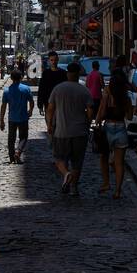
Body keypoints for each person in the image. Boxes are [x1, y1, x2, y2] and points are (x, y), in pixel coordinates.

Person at [45, 61, 92, 196]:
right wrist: (87, 124)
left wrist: (49, 125)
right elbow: (90, 111)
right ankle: (74, 188)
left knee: (59, 159)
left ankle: (66, 174)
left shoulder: (58, 89)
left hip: (61, 131)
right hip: (80, 132)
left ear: (67, 74)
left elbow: (50, 109)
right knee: (77, 162)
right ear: (78, 74)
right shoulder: (84, 90)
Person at [95, 68, 134, 199]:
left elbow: (101, 110)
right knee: (119, 162)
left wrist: (97, 121)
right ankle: (118, 190)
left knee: (103, 157)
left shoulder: (107, 94)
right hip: (121, 128)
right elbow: (129, 117)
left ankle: (106, 183)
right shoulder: (126, 98)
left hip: (108, 127)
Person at [0, 67, 34, 163]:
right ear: (21, 78)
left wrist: (1, 120)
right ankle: (18, 152)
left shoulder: (7, 91)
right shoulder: (26, 89)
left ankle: (11, 158)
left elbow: (3, 106)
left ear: (11, 78)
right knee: (23, 137)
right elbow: (31, 101)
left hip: (12, 118)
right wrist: (30, 110)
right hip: (23, 117)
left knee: (11, 138)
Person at [37, 50, 66, 117]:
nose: (54, 62)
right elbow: (41, 89)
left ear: (58, 60)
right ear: (49, 61)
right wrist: (40, 105)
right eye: (52, 60)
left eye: (55, 60)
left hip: (60, 103)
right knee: (49, 124)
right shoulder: (45, 73)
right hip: (48, 102)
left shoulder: (63, 73)